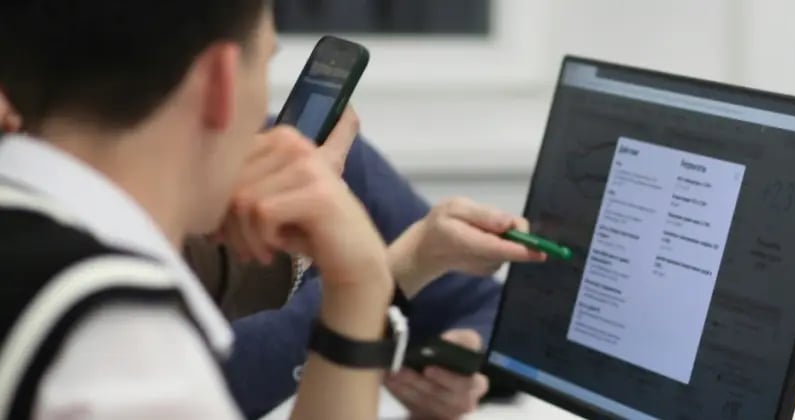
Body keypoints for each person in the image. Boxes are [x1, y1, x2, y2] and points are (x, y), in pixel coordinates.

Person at [0, 2, 542, 419]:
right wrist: (369, 281)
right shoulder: (122, 337)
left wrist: (359, 290)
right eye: (267, 62)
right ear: (221, 83)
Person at [186, 109, 506, 418]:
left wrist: (456, 364)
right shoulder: (154, 222)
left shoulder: (325, 159)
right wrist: (380, 280)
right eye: (263, 60)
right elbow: (197, 381)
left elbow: (484, 303)